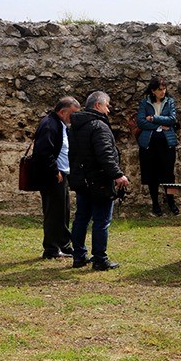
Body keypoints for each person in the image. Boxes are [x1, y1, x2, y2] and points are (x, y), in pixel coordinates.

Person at [68, 91, 129, 271]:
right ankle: (99, 258)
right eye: (107, 105)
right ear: (98, 106)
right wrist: (118, 175)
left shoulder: (75, 126)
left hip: (82, 179)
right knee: (101, 220)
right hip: (98, 180)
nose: (109, 110)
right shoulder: (98, 126)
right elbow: (105, 155)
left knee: (81, 217)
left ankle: (78, 256)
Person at [31, 96, 80, 259]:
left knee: (63, 211)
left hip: (61, 174)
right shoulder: (49, 124)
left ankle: (64, 245)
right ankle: (51, 249)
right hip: (52, 176)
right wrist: (55, 171)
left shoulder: (60, 124)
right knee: (53, 212)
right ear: (62, 112)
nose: (73, 118)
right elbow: (43, 152)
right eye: (72, 114)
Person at [137, 76, 179, 216]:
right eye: (159, 89)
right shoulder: (145, 103)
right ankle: (155, 204)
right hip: (149, 143)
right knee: (152, 175)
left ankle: (171, 202)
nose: (163, 92)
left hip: (166, 142)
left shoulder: (169, 102)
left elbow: (172, 120)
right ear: (153, 91)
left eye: (164, 89)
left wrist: (154, 118)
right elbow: (141, 122)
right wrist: (161, 125)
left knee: (168, 174)